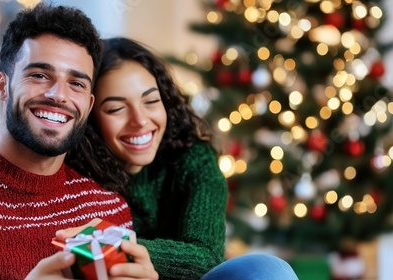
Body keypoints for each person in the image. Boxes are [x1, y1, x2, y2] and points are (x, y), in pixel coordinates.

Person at [0, 5, 157, 280]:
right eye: (39, 75)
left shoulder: (107, 210)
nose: (59, 95)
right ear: (1, 86)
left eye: (77, 84)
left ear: (89, 104)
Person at [64, 37, 299, 279]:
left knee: (269, 269)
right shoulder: (73, 170)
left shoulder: (194, 160)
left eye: (151, 101)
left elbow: (206, 256)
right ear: (89, 118)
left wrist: (121, 249)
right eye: (116, 108)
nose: (140, 120)